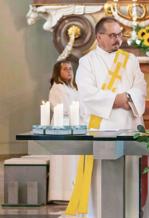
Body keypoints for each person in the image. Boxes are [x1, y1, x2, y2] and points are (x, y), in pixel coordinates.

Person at [68, 17, 149, 217]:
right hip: (101, 127)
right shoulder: (87, 62)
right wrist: (118, 100)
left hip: (129, 125)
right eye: (112, 35)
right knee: (100, 179)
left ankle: (131, 213)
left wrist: (129, 97)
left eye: (120, 34)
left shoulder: (131, 60)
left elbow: (140, 88)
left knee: (131, 175)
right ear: (99, 37)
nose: (118, 39)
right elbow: (87, 94)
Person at [48, 60, 82, 202]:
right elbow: (67, 108)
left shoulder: (73, 88)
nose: (69, 71)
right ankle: (62, 194)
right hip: (62, 125)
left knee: (73, 162)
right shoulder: (58, 88)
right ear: (58, 72)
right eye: (65, 69)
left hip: (74, 124)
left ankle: (73, 191)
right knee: (64, 161)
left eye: (71, 69)